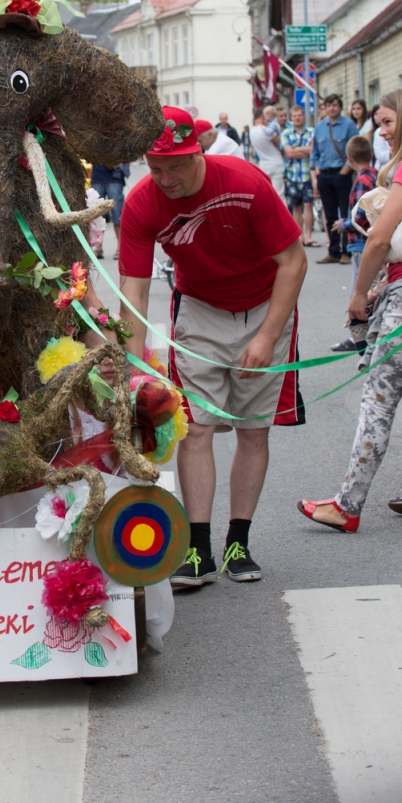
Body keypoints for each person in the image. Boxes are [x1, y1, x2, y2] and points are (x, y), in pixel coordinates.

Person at [118, 106, 306, 585]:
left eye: (176, 166)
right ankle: (196, 550)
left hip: (265, 306)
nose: (166, 180)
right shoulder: (142, 203)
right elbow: (135, 293)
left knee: (252, 428)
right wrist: (134, 369)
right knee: (195, 429)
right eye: (155, 169)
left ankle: (238, 542)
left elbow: (293, 261)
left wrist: (266, 338)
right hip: (199, 310)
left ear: (197, 150)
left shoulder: (246, 183)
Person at [298, 88, 402, 531]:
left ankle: (347, 505)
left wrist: (359, 293)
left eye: (387, 122)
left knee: (377, 404)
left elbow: (380, 240)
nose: (379, 132)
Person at [330, 134, 377, 353]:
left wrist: (344, 224)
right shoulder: (375, 175)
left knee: (358, 291)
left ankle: (357, 336)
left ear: (349, 158)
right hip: (368, 240)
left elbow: (361, 215)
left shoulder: (361, 181)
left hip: (360, 242)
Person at [311, 93, 358, 265]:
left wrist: (346, 168)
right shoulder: (320, 127)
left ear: (340, 107)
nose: (331, 108)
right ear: (325, 107)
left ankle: (347, 251)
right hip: (324, 174)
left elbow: (356, 146)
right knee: (329, 214)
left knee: (345, 213)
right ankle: (333, 251)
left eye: (335, 105)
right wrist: (316, 171)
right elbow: (314, 151)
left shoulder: (348, 125)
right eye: (329, 105)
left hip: (341, 173)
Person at [281, 105, 316, 247]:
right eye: (294, 116)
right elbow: (289, 153)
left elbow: (314, 150)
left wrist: (296, 149)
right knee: (296, 207)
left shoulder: (312, 132)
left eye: (299, 115)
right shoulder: (286, 133)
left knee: (308, 205)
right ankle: (299, 237)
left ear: (304, 116)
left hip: (307, 174)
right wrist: (305, 151)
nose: (297, 118)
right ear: (291, 118)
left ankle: (308, 235)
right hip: (292, 175)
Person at [89, 163, 129, 259]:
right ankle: (98, 248)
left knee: (118, 216)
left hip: (115, 178)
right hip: (97, 177)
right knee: (96, 215)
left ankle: (120, 248)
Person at [249, 106, 285, 194]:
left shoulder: (252, 131)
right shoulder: (265, 130)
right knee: (279, 194)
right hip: (276, 163)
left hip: (263, 164)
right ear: (263, 116)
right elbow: (280, 141)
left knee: (267, 193)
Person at [371, 103, 391, 169]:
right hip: (384, 171)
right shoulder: (377, 132)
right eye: (376, 114)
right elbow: (379, 155)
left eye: (388, 121)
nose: (378, 116)